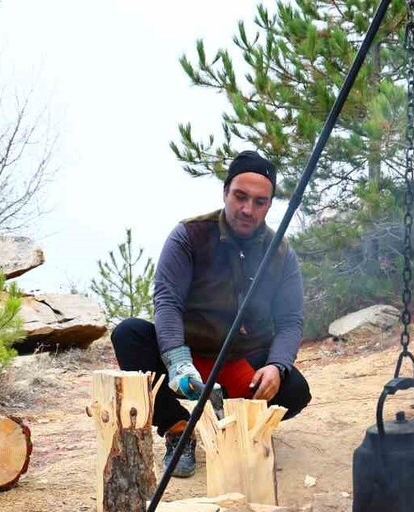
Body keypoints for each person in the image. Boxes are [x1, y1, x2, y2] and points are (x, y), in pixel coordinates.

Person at [110, 151, 312, 477]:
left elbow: (290, 320)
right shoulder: (189, 235)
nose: (248, 209)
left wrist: (276, 366)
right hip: (188, 355)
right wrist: (176, 360)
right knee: (128, 334)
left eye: (260, 202)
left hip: (240, 361)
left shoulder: (280, 252)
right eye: (240, 197)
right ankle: (179, 429)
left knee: (294, 391)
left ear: (270, 205)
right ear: (225, 192)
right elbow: (167, 302)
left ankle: (236, 423)